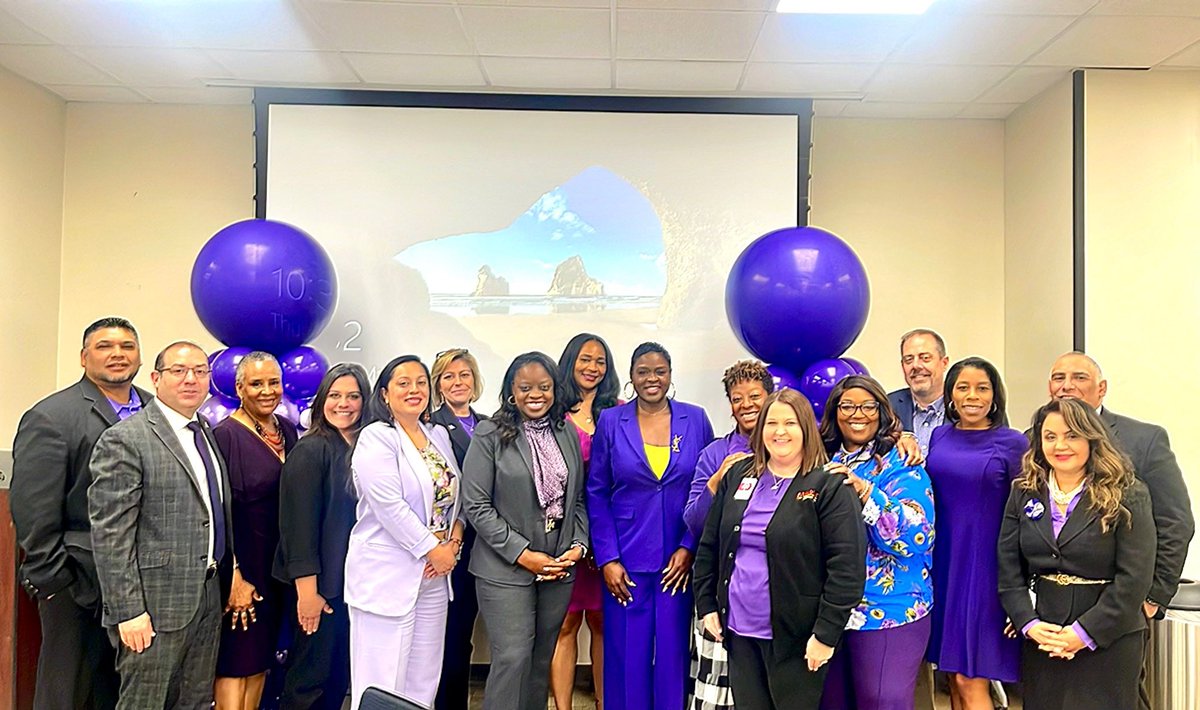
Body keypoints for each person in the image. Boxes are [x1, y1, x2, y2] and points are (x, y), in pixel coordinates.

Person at [694, 387, 865, 710]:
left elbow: (847, 569)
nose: (780, 432)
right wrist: (707, 606)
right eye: (771, 423)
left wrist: (826, 635)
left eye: (790, 423)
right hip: (740, 631)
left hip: (799, 640)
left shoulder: (829, 486)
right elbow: (710, 545)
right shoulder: (738, 476)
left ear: (806, 429)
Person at [88, 340, 236, 709]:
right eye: (179, 371)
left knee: (196, 701)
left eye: (200, 372)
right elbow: (111, 535)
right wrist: (128, 612)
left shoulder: (203, 430)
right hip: (153, 608)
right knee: (145, 703)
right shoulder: (126, 439)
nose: (191, 379)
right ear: (156, 378)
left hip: (206, 595)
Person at [11, 317, 146, 710]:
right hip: (76, 580)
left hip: (137, 581)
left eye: (127, 346)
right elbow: (33, 508)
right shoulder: (53, 416)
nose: (117, 354)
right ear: (84, 357)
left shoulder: (155, 411)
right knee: (68, 691)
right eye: (105, 346)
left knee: (115, 690)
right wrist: (55, 579)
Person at [1046, 351, 1194, 710]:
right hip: (1053, 614)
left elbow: (1176, 521)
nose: (1067, 385)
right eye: (1058, 377)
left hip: (1120, 608)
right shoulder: (1038, 441)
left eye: (1079, 377)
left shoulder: (1143, 439)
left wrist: (1151, 598)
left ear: (1102, 389)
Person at [997, 398, 1155, 709]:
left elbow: (1134, 579)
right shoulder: (1024, 490)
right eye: (1050, 436)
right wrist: (1028, 622)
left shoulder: (1128, 493)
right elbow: (1008, 567)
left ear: (1091, 438)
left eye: (1072, 435)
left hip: (1109, 635)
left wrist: (1084, 634)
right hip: (1045, 634)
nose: (1060, 445)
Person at [588, 341, 715, 710]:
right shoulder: (612, 421)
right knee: (627, 654)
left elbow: (708, 489)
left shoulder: (696, 419)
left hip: (679, 561)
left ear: (670, 375)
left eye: (659, 371)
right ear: (631, 377)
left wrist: (689, 546)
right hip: (626, 558)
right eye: (643, 371)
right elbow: (596, 493)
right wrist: (607, 558)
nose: (652, 378)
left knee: (674, 652)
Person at [462, 352, 589, 710]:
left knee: (539, 657)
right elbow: (476, 505)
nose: (536, 395)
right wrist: (522, 553)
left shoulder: (566, 432)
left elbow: (576, 498)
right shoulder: (489, 434)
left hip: (558, 566)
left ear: (555, 389)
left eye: (544, 387)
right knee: (513, 657)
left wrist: (578, 545)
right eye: (525, 387)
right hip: (505, 568)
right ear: (510, 391)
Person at [345, 356, 464, 709]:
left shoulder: (437, 435)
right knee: (381, 683)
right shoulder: (376, 438)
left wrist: (452, 544)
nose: (414, 390)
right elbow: (389, 505)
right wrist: (432, 549)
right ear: (384, 394)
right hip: (388, 577)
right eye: (403, 383)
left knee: (423, 680)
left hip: (434, 577)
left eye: (421, 382)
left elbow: (457, 499)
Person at [817, 375, 935, 710]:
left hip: (891, 609)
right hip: (831, 610)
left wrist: (866, 492)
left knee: (882, 701)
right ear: (834, 412)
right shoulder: (819, 459)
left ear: (882, 412)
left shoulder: (901, 460)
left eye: (868, 406)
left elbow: (919, 535)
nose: (858, 413)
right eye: (848, 405)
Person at [923, 357, 1026, 710]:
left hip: (984, 566)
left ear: (995, 396)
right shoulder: (939, 435)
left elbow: (1024, 509)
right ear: (950, 394)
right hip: (942, 563)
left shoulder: (1013, 443)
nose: (972, 396)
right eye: (963, 387)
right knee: (951, 673)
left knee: (971, 675)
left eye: (982, 388)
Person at [275, 363, 371, 709]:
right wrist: (308, 595)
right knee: (308, 685)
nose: (343, 404)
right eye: (334, 395)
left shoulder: (369, 449)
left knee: (336, 682)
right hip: (320, 591)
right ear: (321, 400)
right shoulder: (311, 450)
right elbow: (297, 530)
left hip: (354, 590)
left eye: (353, 396)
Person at [682, 360, 773, 710]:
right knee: (717, 692)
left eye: (755, 396)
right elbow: (693, 522)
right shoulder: (714, 454)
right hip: (723, 587)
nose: (747, 405)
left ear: (770, 397)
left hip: (772, 592)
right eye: (738, 398)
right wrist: (717, 481)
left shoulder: (789, 448)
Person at [211, 352, 299, 709]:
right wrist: (233, 577)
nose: (267, 391)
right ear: (239, 387)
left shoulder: (287, 429)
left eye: (273, 382)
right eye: (256, 383)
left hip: (278, 571)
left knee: (261, 662)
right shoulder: (225, 436)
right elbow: (217, 514)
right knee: (236, 664)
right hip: (243, 571)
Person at [551, 333, 620, 710]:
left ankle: (602, 702)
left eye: (600, 361)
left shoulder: (620, 410)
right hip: (564, 533)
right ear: (569, 362)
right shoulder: (552, 412)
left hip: (608, 532)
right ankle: (562, 707)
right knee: (564, 625)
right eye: (584, 359)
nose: (592, 368)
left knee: (602, 623)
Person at [429, 348, 486, 710]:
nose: (457, 382)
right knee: (447, 638)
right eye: (448, 376)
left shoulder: (489, 424)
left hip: (489, 548)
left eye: (464, 374)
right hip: (453, 547)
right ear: (438, 384)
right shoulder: (431, 426)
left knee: (464, 636)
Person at [887, 329, 949, 456]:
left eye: (925, 358)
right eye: (908, 360)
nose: (916, 365)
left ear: (944, 363)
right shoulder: (888, 406)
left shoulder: (963, 407)